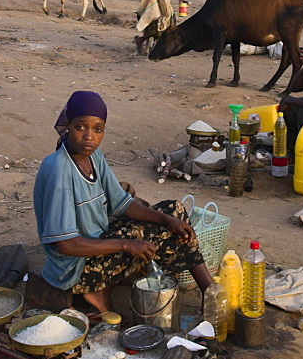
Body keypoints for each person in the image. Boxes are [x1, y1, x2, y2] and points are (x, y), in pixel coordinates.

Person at [33, 91, 212, 314]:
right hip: (75, 267)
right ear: (68, 125)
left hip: (100, 239)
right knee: (148, 238)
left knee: (174, 212)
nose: (89, 136)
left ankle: (211, 293)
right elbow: (66, 245)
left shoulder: (93, 156)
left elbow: (122, 203)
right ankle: (96, 289)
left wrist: (166, 219)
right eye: (81, 127)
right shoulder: (59, 171)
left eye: (97, 129)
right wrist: (126, 244)